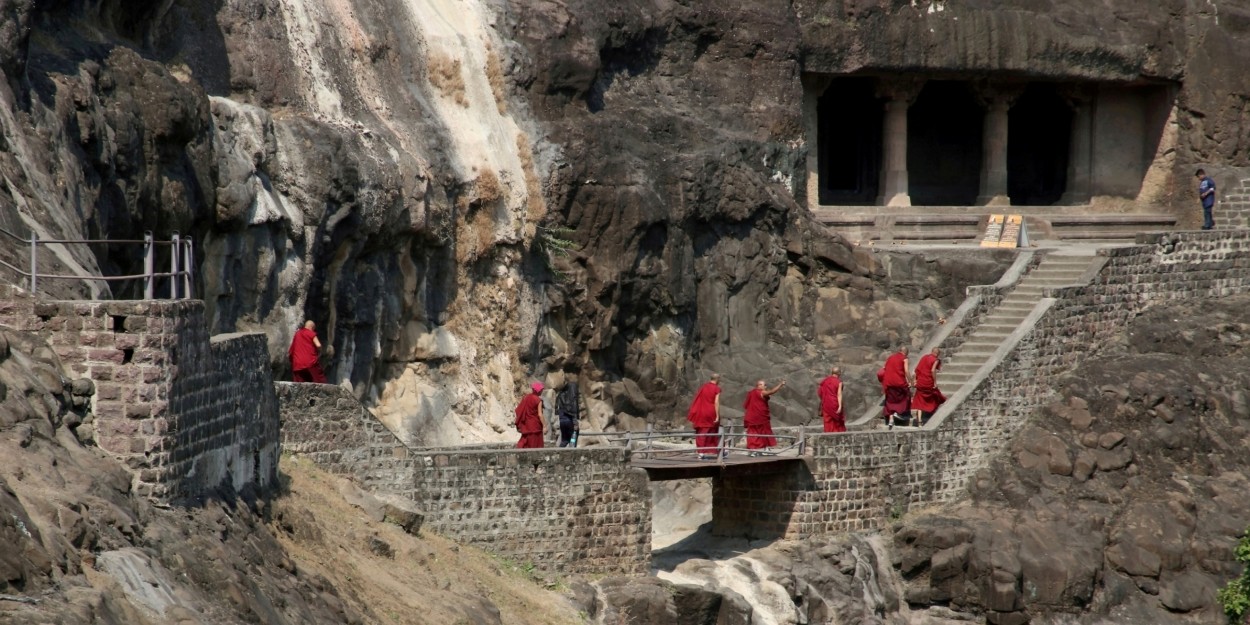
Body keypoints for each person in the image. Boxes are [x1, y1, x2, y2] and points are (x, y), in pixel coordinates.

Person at [743, 379, 785, 455]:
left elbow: (747, 405)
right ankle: (755, 449)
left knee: (757, 432)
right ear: (759, 386)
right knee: (759, 432)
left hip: (753, 416)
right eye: (763, 385)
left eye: (765, 385)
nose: (765, 386)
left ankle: (763, 448)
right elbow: (772, 392)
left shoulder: (752, 393)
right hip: (758, 416)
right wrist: (781, 384)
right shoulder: (760, 392)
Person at [686, 373, 723, 459]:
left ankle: (701, 452)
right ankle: (716, 450)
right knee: (713, 430)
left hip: (701, 411)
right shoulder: (717, 388)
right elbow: (716, 402)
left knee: (701, 431)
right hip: (710, 411)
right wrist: (717, 415)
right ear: (717, 380)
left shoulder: (703, 387)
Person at [911, 347, 945, 426]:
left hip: (920, 382)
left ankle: (919, 421)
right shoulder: (935, 360)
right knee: (936, 395)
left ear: (931, 351)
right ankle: (931, 411)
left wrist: (915, 380)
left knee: (920, 400)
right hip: (928, 382)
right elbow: (933, 370)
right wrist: (935, 382)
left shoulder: (924, 357)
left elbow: (917, 369)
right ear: (937, 354)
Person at [880, 345, 911, 428]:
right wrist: (910, 381)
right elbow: (907, 371)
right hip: (899, 382)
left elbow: (884, 368)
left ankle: (891, 419)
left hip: (888, 383)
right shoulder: (904, 358)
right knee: (905, 396)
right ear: (905, 352)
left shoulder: (890, 358)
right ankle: (898, 413)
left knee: (890, 401)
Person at [515, 382, 545, 449]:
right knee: (535, 444)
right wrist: (545, 426)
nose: (542, 391)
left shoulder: (526, 397)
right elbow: (540, 414)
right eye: (542, 390)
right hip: (535, 426)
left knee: (526, 442)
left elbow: (519, 409)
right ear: (539, 390)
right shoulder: (538, 400)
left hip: (526, 424)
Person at [554, 381, 582, 447]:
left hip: (562, 421)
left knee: (565, 440)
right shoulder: (572, 398)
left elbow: (557, 410)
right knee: (573, 439)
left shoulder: (560, 394)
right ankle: (572, 454)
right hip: (570, 421)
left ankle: (559, 454)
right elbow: (573, 410)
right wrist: (575, 423)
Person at [818, 366, 846, 433]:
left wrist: (824, 399)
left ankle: (828, 435)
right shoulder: (839, 382)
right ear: (839, 373)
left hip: (826, 404)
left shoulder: (825, 381)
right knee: (838, 422)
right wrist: (840, 406)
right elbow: (839, 394)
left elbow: (819, 392)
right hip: (835, 403)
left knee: (828, 421)